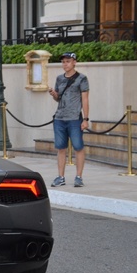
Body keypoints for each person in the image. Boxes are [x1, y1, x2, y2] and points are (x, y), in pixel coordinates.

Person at [48, 52, 90, 188]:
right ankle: (61, 177)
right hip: (60, 118)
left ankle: (79, 176)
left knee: (78, 147)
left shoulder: (82, 78)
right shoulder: (59, 78)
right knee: (61, 148)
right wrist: (54, 95)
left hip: (74, 118)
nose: (65, 64)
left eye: (68, 61)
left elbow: (85, 99)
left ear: (74, 62)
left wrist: (85, 118)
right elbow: (58, 98)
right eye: (63, 62)